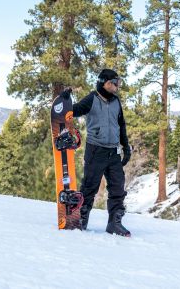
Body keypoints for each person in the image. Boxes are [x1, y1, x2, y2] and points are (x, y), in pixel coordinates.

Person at [62, 69, 131, 236]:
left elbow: (121, 125)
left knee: (117, 188)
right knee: (90, 187)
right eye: (113, 83)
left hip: (113, 152)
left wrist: (126, 147)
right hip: (96, 150)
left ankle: (114, 223)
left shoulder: (116, 102)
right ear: (103, 82)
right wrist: (65, 102)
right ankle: (81, 219)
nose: (116, 86)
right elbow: (74, 111)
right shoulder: (92, 98)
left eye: (118, 83)